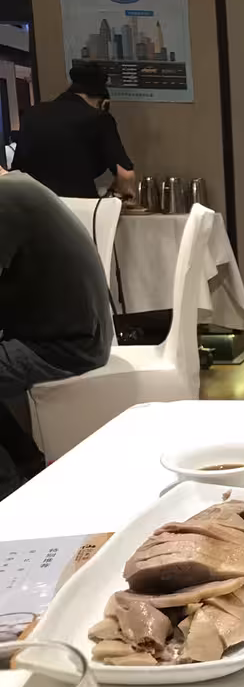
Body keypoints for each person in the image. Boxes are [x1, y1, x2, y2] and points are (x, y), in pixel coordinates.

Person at [0, 172, 114, 497]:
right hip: (72, 335)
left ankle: (11, 494)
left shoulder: (5, 198)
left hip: (65, 346)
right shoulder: (19, 187)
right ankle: (28, 466)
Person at [13, 63, 135, 199]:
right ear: (102, 102)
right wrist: (113, 195)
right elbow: (125, 175)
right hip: (78, 205)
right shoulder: (100, 118)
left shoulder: (31, 114)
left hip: (32, 203)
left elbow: (17, 170)